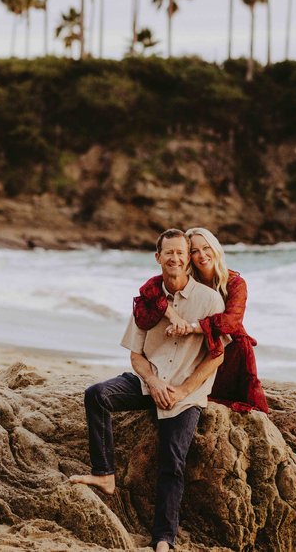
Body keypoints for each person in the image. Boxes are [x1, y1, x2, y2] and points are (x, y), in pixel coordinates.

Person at [69, 228, 227, 552]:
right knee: (96, 394)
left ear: (188, 260)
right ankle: (104, 474)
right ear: (158, 258)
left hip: (185, 394)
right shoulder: (148, 301)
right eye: (168, 253)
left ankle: (163, 539)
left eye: (181, 253)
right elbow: (135, 355)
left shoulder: (209, 300)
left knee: (172, 462)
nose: (175, 258)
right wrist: (153, 382)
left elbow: (217, 355)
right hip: (148, 382)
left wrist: (183, 391)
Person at [132, 227, 268, 414]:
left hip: (231, 350)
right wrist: (172, 315)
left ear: (215, 248)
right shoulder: (186, 280)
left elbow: (230, 322)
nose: (202, 255)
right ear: (189, 256)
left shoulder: (234, 283)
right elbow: (149, 291)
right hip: (199, 349)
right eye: (194, 251)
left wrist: (191, 327)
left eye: (206, 248)